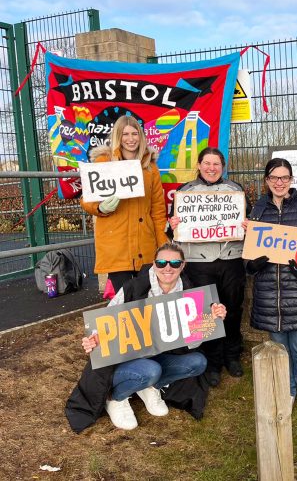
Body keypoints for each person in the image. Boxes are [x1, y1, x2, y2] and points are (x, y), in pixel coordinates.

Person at [65, 243, 227, 432]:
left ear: (183, 266)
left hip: (163, 354)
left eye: (175, 263)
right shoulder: (133, 288)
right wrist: (93, 338)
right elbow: (105, 321)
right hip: (133, 359)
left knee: (198, 362)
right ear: (153, 264)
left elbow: (192, 344)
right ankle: (115, 398)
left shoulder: (191, 294)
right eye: (161, 262)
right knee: (151, 370)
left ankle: (150, 387)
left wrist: (211, 319)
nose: (168, 267)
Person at [245, 158, 297, 421]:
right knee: (279, 350)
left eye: (284, 177)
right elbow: (248, 258)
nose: (279, 182)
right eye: (274, 178)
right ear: (267, 180)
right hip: (269, 293)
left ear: (291, 180)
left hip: (296, 291)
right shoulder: (258, 209)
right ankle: (288, 391)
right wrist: (252, 265)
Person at [168, 148, 248, 385]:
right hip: (198, 262)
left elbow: (249, 222)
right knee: (206, 313)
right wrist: (171, 225)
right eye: (207, 163)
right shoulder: (185, 192)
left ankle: (232, 356)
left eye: (216, 164)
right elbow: (172, 230)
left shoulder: (236, 190)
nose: (211, 168)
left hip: (231, 258)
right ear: (199, 165)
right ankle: (212, 361)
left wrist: (247, 224)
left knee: (233, 309)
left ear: (223, 166)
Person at [80, 115, 168, 293]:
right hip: (116, 246)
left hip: (146, 245)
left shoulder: (151, 168)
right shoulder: (103, 162)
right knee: (124, 301)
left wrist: (163, 247)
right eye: (125, 134)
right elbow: (86, 199)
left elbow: (158, 211)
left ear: (141, 136)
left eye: (135, 133)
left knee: (147, 297)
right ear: (117, 137)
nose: (131, 139)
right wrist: (100, 207)